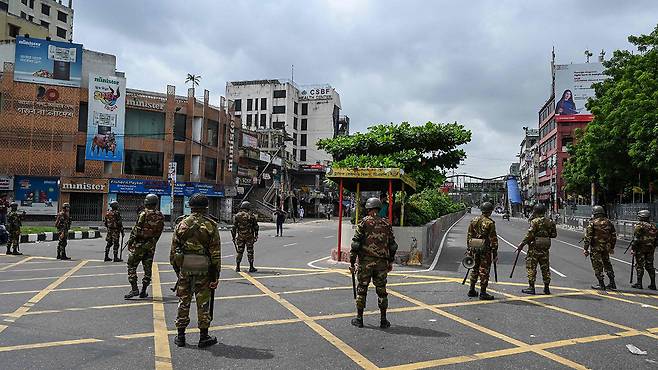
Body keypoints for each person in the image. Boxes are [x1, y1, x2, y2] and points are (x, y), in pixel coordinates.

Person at [170, 194, 220, 348]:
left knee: (183, 301)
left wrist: (178, 271)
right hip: (204, 270)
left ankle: (181, 337)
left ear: (190, 206)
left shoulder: (181, 224)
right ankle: (203, 337)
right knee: (203, 303)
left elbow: (173, 253)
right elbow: (215, 255)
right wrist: (215, 277)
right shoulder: (211, 225)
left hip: (185, 268)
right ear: (206, 207)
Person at [350, 197, 398, 328]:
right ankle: (383, 320)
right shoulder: (386, 224)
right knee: (382, 291)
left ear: (368, 209)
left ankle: (359, 319)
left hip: (365, 263)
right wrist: (390, 261)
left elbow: (355, 245)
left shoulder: (363, 223)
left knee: (362, 290)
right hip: (382, 264)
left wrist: (352, 262)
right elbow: (393, 246)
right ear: (378, 208)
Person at [124, 194, 165, 299]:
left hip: (138, 245)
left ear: (146, 202)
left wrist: (131, 241)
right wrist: (153, 242)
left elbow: (136, 230)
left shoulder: (143, 214)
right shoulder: (160, 215)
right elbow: (159, 232)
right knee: (147, 269)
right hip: (150, 246)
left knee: (132, 266)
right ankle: (143, 291)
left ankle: (134, 289)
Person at [517, 204, 557, 295]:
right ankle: (546, 288)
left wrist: (522, 244)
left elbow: (529, 235)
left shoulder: (534, 221)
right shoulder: (550, 222)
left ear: (535, 211)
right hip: (545, 248)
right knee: (545, 267)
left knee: (531, 267)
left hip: (534, 248)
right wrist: (545, 235)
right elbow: (554, 235)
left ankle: (531, 287)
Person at [466, 202, 498, 300]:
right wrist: (495, 253)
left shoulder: (474, 220)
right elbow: (493, 239)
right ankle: (483, 292)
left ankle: (471, 289)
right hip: (485, 250)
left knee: (474, 268)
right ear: (490, 211)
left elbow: (469, 235)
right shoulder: (490, 223)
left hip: (474, 248)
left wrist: (469, 248)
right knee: (484, 270)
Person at [583, 205, 617, 290]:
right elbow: (614, 236)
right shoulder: (609, 222)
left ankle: (601, 284)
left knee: (597, 265)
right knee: (607, 264)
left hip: (596, 248)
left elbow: (588, 237)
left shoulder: (593, 223)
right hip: (606, 248)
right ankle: (612, 283)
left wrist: (585, 249)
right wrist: (612, 247)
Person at [630, 210, 657, 290]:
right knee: (650, 266)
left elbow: (636, 239)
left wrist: (633, 249)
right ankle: (653, 284)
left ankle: (639, 283)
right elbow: (656, 240)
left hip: (640, 249)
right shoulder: (653, 226)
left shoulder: (639, 226)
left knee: (639, 266)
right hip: (650, 249)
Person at [232, 201, 259, 272]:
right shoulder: (251, 216)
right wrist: (256, 235)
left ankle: (237, 267)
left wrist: (233, 236)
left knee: (240, 251)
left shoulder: (237, 216)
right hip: (249, 237)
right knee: (250, 251)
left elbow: (234, 227)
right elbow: (256, 227)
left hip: (240, 237)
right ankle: (251, 267)